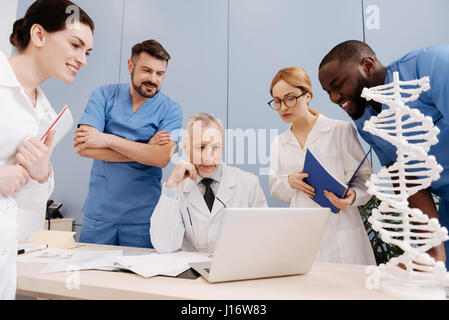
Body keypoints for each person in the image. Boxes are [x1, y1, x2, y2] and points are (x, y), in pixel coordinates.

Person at [318, 40, 449, 268]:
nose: (334, 98)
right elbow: (409, 181)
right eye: (328, 92)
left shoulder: (432, 64)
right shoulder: (366, 122)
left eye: (338, 85)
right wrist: (433, 252)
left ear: (367, 66)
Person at [0, 0, 94, 299]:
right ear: (39, 35)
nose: (82, 59)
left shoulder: (46, 113)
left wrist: (41, 175)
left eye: (87, 52)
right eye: (76, 45)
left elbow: (27, 201)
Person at [73, 39, 182, 248]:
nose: (153, 79)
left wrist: (107, 139)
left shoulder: (170, 109)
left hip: (143, 217)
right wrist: (146, 148)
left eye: (160, 74)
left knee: (138, 280)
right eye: (147, 70)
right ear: (130, 66)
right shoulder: (103, 95)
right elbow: (85, 147)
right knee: (90, 277)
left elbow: (161, 158)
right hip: (99, 214)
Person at [268, 67, 375, 265]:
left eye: (290, 98)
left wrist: (352, 197)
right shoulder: (279, 143)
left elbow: (366, 180)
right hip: (301, 234)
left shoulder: (339, 131)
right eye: (277, 101)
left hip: (342, 232)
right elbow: (276, 189)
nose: (283, 107)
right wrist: (290, 182)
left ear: (307, 95)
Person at [150, 113, 267, 253]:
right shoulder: (177, 188)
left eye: (215, 147)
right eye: (200, 147)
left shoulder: (248, 183)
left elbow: (263, 238)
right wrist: (171, 185)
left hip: (236, 268)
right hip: (191, 269)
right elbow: (164, 246)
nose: (208, 157)